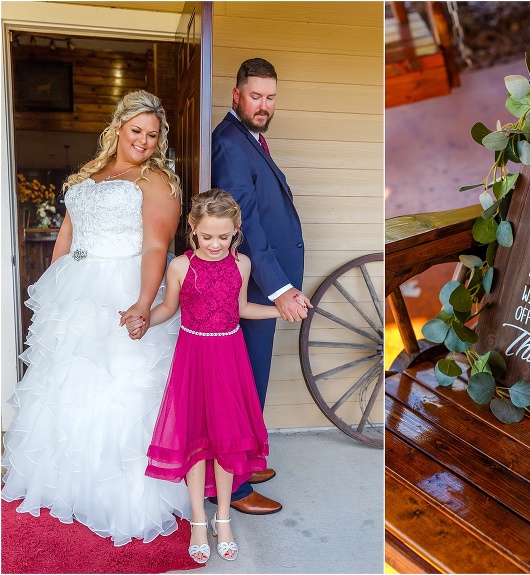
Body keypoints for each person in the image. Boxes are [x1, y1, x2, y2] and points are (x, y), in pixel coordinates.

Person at [1, 90, 191, 545]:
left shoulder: (157, 181)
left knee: (116, 385)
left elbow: (155, 248)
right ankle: (66, 483)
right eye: (136, 131)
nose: (143, 141)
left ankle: (119, 494)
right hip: (75, 291)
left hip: (121, 288)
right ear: (118, 127)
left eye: (152, 134)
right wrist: (53, 291)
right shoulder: (90, 172)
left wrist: (145, 301)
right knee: (66, 386)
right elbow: (66, 235)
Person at [130, 189, 299, 563]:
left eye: (224, 237)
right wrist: (145, 320)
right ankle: (198, 522)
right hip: (193, 357)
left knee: (226, 440)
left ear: (236, 229)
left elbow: (239, 309)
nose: (215, 244)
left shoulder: (242, 265)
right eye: (207, 237)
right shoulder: (180, 267)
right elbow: (168, 309)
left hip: (228, 356)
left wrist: (279, 311)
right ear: (192, 229)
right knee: (194, 441)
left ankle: (223, 517)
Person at [210, 57, 311, 515]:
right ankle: (232, 490)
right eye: (256, 96)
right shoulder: (230, 144)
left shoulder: (250, 139)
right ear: (237, 95)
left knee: (255, 381)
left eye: (270, 97)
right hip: (254, 287)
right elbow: (243, 220)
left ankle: (245, 463)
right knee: (242, 383)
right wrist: (280, 289)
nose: (264, 105)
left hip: (265, 285)